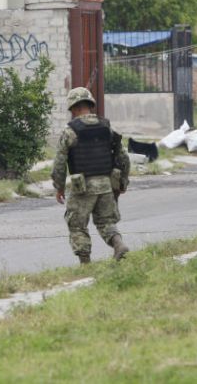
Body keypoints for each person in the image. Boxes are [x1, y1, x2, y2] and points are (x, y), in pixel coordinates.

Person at [51, 87, 131, 264]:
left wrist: (59, 187)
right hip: (106, 185)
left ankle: (85, 265)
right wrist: (123, 182)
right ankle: (118, 245)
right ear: (90, 104)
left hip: (82, 188)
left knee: (77, 225)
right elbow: (123, 157)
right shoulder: (107, 127)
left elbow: (59, 162)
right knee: (106, 222)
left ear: (74, 108)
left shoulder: (70, 131)